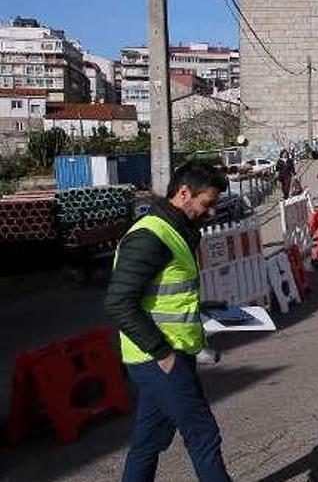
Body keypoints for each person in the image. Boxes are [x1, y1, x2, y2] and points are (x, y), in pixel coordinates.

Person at [104, 161, 231, 482]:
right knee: (203, 435)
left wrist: (201, 305)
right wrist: (162, 353)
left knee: (149, 443)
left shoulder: (174, 230)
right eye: (207, 203)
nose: (212, 212)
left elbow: (161, 294)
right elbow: (119, 302)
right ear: (184, 193)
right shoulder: (149, 236)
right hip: (158, 358)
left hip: (168, 355)